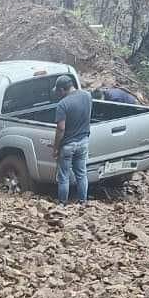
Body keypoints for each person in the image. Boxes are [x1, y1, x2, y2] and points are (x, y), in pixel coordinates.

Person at [53, 75, 92, 205]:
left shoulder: (62, 104)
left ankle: (62, 204)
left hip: (68, 145)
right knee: (81, 174)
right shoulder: (87, 96)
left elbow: (61, 129)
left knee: (64, 176)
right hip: (83, 141)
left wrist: (56, 148)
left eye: (58, 91)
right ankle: (83, 202)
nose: (58, 94)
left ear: (63, 89)